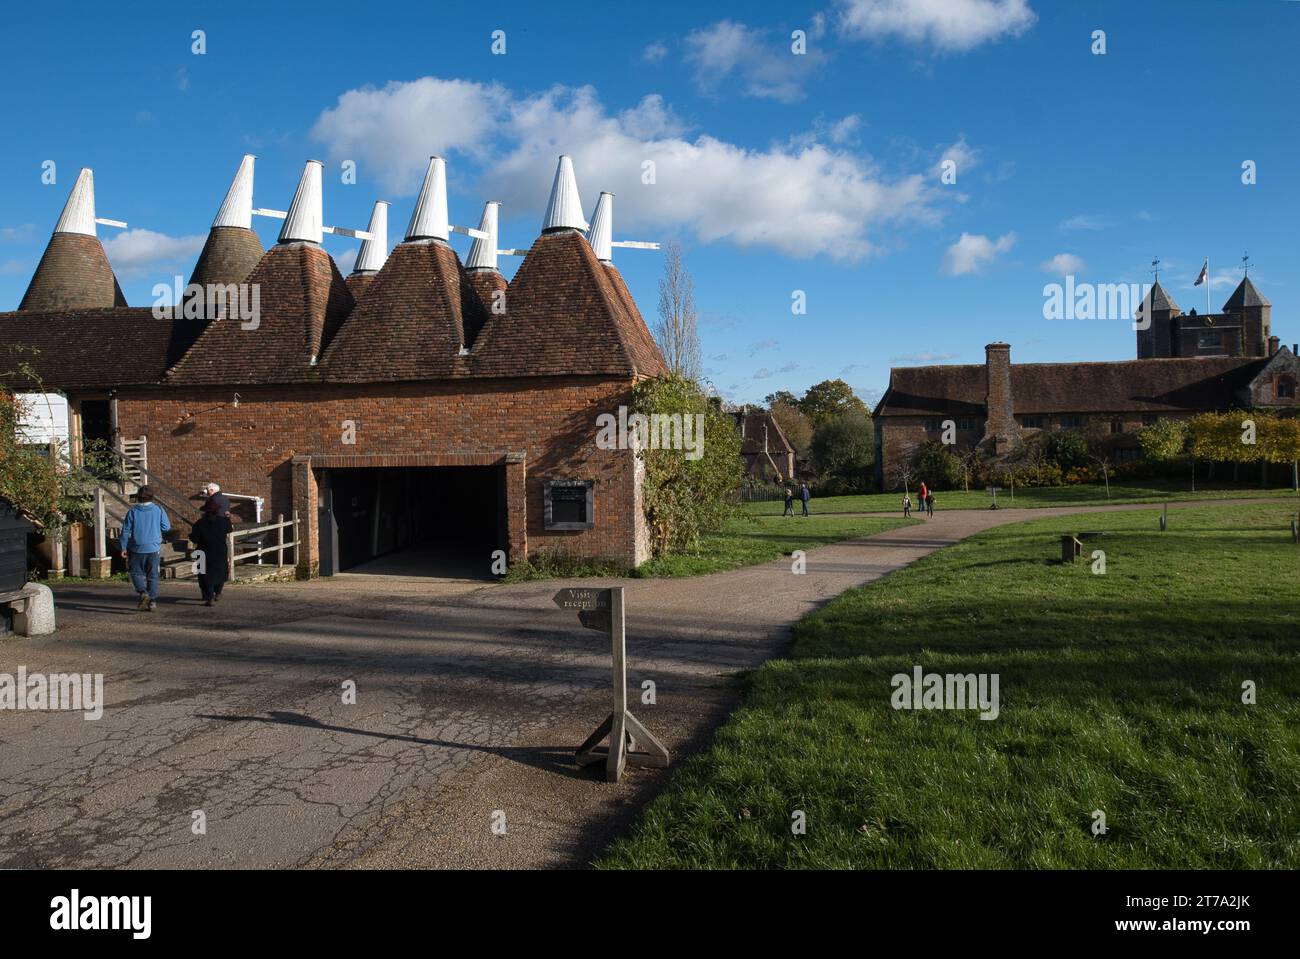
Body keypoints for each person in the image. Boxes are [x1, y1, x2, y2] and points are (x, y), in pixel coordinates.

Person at [119, 486, 170, 612]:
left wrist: (123, 547)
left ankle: (143, 592)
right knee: (152, 575)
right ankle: (152, 601)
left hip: (137, 547)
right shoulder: (159, 509)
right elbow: (166, 527)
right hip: (153, 547)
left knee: (136, 573)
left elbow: (125, 531)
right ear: (152, 496)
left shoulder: (133, 511)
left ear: (138, 497)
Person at [189, 503, 232, 606]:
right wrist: (228, 518)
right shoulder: (223, 521)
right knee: (220, 572)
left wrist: (190, 535)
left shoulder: (199, 523)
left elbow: (194, 538)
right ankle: (218, 592)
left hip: (204, 551)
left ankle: (209, 596)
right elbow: (229, 529)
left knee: (204, 575)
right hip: (220, 551)